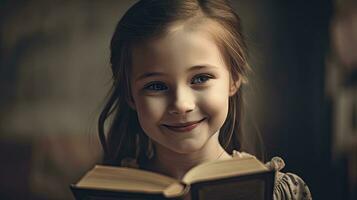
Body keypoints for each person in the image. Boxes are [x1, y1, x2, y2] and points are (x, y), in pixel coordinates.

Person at [98, 0, 312, 199]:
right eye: (156, 86)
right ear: (130, 94)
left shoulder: (279, 194)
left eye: (200, 78)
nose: (182, 104)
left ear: (234, 78)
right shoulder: (110, 193)